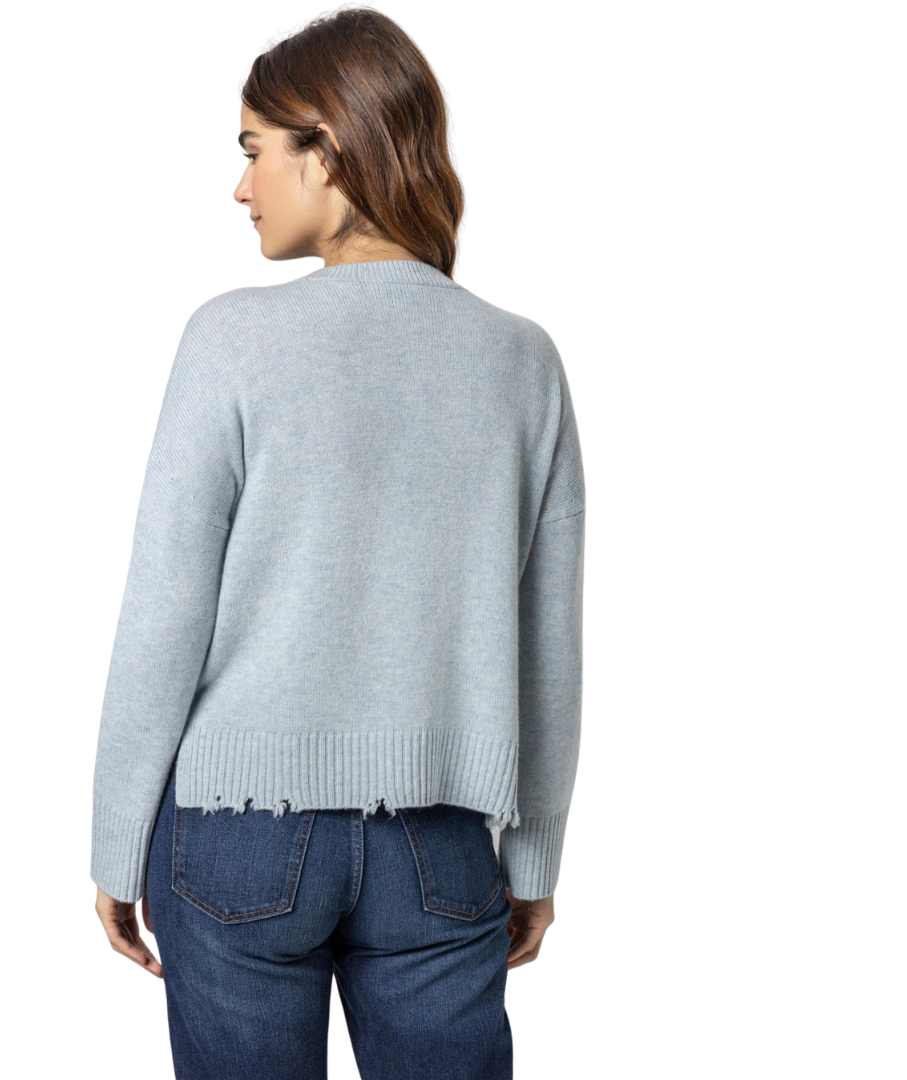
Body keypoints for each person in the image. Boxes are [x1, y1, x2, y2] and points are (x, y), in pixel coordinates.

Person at [90, 8, 585, 1079]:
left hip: (236, 833)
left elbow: (165, 609)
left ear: (329, 149)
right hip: (440, 844)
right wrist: (536, 856)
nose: (241, 187)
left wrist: (116, 839)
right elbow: (547, 642)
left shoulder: (231, 339)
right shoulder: (522, 360)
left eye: (254, 150)